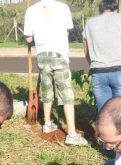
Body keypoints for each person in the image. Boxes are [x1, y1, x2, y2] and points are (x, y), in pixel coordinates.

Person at [24, 0, 88, 146]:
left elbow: (28, 38)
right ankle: (72, 134)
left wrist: (35, 37)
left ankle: (47, 124)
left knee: (47, 91)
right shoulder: (63, 7)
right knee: (66, 94)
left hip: (42, 56)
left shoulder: (31, 10)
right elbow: (67, 30)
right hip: (60, 55)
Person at [83, 0, 121, 112]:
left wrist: (93, 65)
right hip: (120, 70)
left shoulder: (89, 23)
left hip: (98, 72)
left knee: (104, 112)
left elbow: (86, 52)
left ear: (101, 9)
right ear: (116, 9)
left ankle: (103, 130)